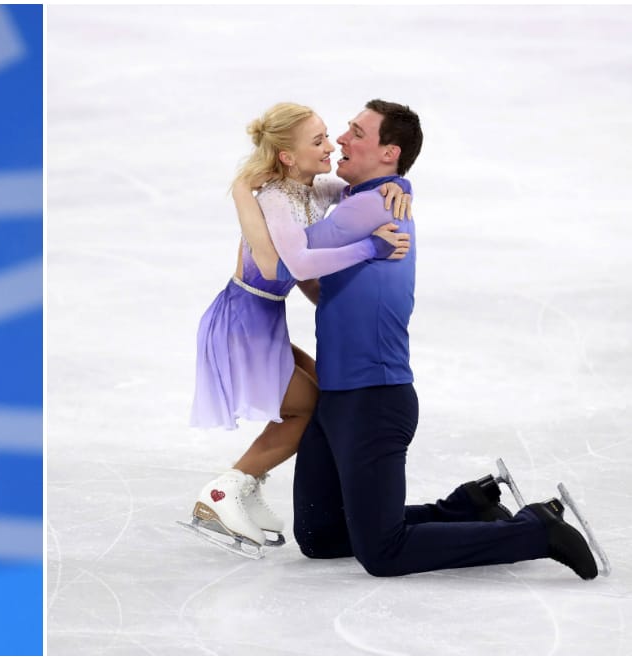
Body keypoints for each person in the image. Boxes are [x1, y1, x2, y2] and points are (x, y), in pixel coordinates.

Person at [242, 99, 599, 579]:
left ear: (389, 152)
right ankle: (468, 505)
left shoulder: (369, 207)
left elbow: (290, 255)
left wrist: (249, 190)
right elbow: (318, 279)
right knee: (322, 536)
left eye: (356, 133)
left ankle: (539, 530)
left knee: (383, 553)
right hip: (338, 395)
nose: (342, 140)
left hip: (374, 397)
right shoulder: (362, 198)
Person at [188, 101, 412, 550]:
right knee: (306, 407)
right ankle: (223, 492)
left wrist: (399, 186)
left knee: (317, 391)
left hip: (262, 317)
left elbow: (358, 192)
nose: (331, 146)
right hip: (244, 318)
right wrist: (372, 248)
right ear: (288, 156)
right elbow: (298, 261)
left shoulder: (308, 188)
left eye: (328, 135)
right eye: (318, 141)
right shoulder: (275, 198)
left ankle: (243, 487)